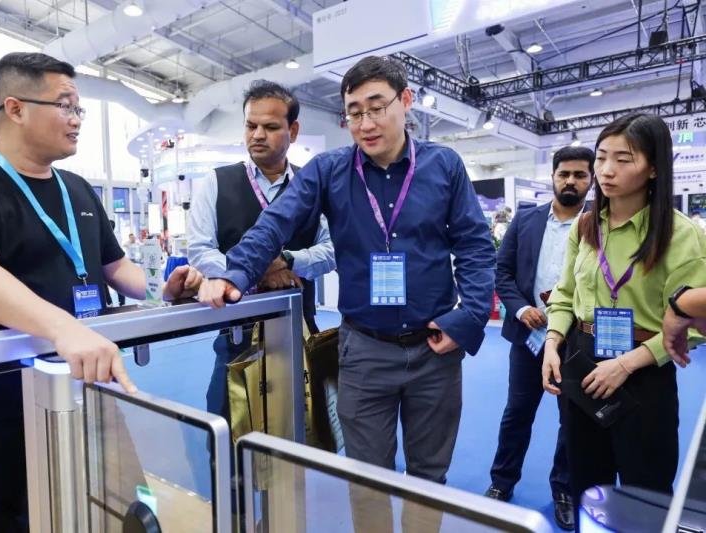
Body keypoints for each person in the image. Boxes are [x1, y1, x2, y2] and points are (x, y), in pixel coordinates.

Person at [198, 55, 494, 532]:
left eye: (377, 107)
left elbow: (475, 246)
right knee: (366, 480)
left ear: (406, 101)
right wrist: (236, 273)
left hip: (434, 350)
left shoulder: (444, 166)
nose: (365, 123)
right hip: (364, 352)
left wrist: (470, 318)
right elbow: (276, 222)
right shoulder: (329, 170)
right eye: (354, 112)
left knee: (428, 477)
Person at [0, 52, 202, 530]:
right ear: (15, 108)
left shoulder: (77, 188)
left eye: (79, 109)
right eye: (65, 106)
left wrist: (165, 290)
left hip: (90, 382)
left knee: (117, 508)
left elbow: (116, 268)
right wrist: (64, 329)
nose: (76, 120)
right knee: (9, 517)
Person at [541, 113, 706, 528]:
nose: (606, 170)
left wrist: (627, 364)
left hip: (644, 369)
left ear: (653, 168)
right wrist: (552, 342)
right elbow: (565, 293)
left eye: (624, 159)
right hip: (581, 360)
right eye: (601, 157)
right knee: (587, 482)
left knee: (645, 490)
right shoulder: (585, 226)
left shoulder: (680, 233)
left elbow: (693, 322)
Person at [187, 80, 335, 419]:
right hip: (236, 333)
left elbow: (331, 250)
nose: (257, 135)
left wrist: (289, 261)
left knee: (303, 424)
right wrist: (256, 275)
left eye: (270, 127)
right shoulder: (216, 183)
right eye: (250, 125)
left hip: (299, 328)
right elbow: (200, 249)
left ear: (292, 131)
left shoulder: (312, 186)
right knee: (227, 423)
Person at [484, 146, 595, 531]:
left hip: (576, 341)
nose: (570, 181)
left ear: (591, 180)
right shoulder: (526, 220)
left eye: (579, 175)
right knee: (517, 412)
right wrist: (518, 309)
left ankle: (564, 490)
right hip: (528, 336)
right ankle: (501, 482)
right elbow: (502, 272)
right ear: (553, 177)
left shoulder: (599, 223)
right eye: (564, 174)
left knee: (572, 420)